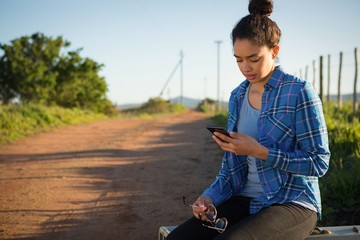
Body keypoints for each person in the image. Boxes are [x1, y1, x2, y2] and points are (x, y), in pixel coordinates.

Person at [167, 0, 330, 239]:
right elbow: (231, 170)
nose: (245, 67)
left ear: (274, 51)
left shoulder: (298, 91)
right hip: (245, 198)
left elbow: (318, 162)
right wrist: (209, 197)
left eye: (253, 59)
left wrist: (261, 151)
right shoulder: (237, 96)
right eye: (238, 59)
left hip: (293, 202)